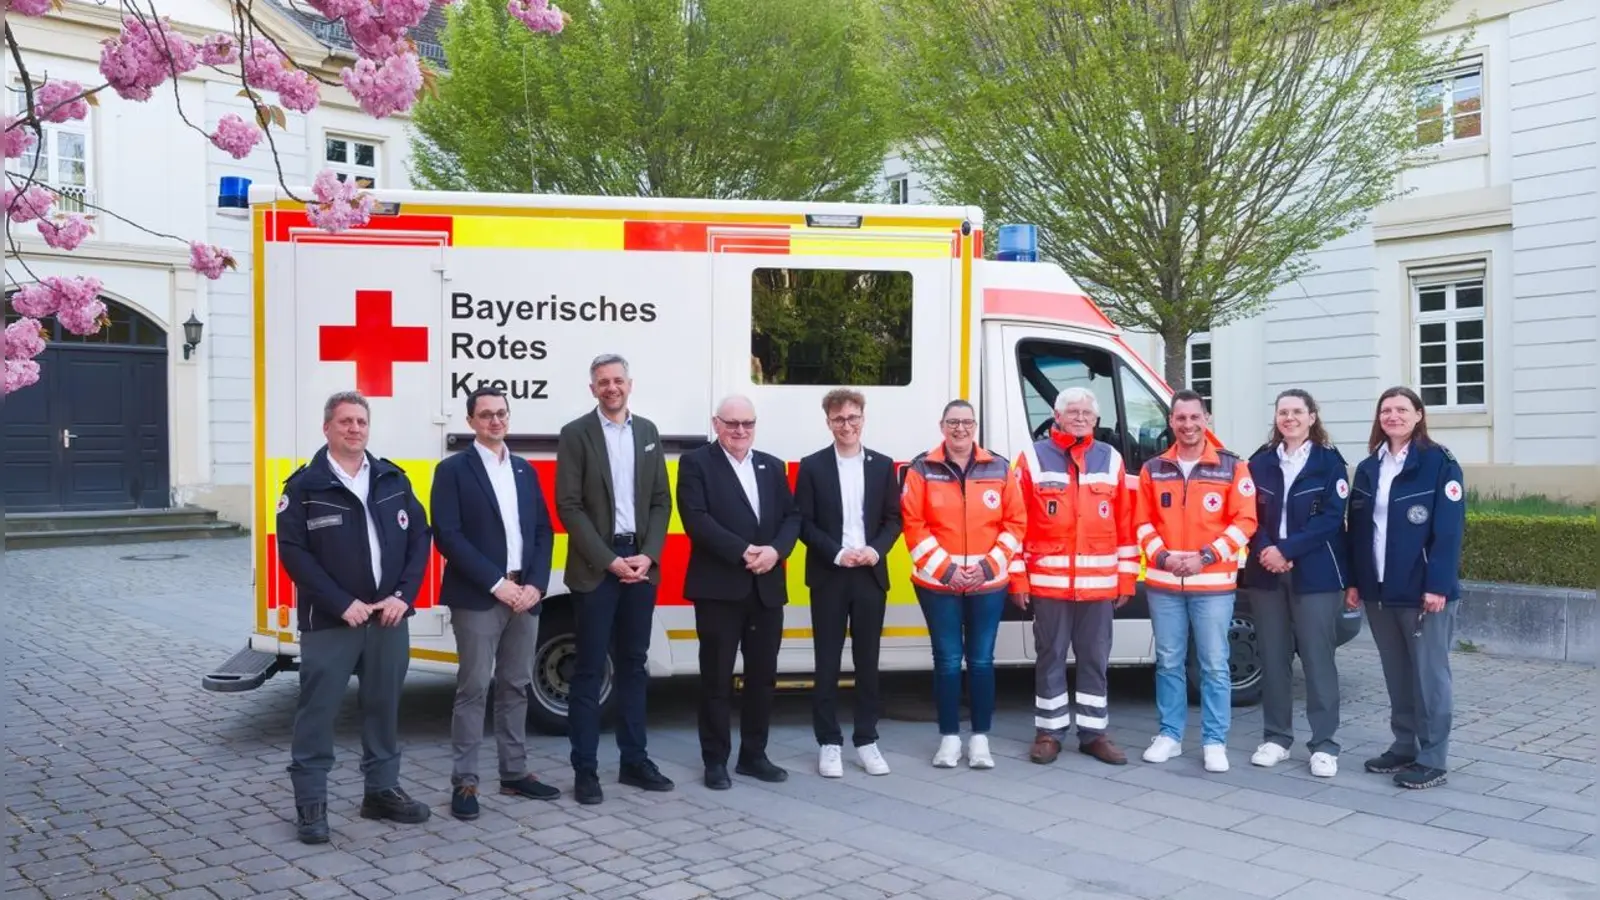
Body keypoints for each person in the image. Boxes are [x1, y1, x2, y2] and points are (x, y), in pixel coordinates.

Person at [277, 391, 431, 844]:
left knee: (384, 709)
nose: (354, 429)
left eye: (361, 421)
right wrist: (341, 602)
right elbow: (294, 555)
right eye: (344, 421)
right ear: (327, 428)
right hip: (331, 622)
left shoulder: (391, 479)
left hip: (387, 619)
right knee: (318, 714)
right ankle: (311, 805)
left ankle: (380, 792)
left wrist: (404, 595)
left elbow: (420, 538)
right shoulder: (304, 487)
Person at [431, 386, 558, 819]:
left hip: (526, 595)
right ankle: (465, 783)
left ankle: (514, 773)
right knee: (472, 688)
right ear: (470, 422)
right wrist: (494, 583)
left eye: (501, 413)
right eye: (485, 415)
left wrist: (536, 585)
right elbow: (448, 535)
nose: (495, 421)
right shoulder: (453, 472)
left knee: (516, 686)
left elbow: (543, 531)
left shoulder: (524, 470)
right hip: (479, 597)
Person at [555, 354, 676, 805]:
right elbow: (569, 506)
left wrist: (648, 555)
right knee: (588, 671)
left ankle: (634, 761)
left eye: (618, 380)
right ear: (592, 389)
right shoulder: (575, 434)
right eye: (602, 382)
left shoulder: (646, 432)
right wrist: (609, 560)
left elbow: (661, 501)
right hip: (596, 568)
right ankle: (585, 769)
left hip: (640, 566)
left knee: (633, 667)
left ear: (630, 384)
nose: (611, 388)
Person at [676, 395, 801, 790]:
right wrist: (743, 551)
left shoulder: (771, 465)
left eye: (747, 423)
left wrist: (776, 551)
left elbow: (792, 516)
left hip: (766, 589)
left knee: (763, 677)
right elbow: (695, 518)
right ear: (717, 424)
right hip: (719, 589)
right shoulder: (695, 463)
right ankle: (715, 760)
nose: (740, 431)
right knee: (716, 678)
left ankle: (753, 755)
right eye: (732, 424)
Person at [1347, 386, 1465, 790]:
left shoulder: (1439, 463)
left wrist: (1438, 586)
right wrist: (1355, 582)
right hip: (1380, 590)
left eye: (1401, 409)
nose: (1392, 416)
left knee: (1429, 675)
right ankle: (1404, 745)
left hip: (1423, 593)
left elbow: (1448, 532)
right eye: (1386, 410)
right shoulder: (1368, 467)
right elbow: (1359, 531)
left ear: (1418, 415)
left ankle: (1433, 757)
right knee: (1397, 673)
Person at [1012, 387, 1136, 767]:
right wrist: (1018, 577)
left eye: (1087, 412)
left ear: (1096, 420)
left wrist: (1127, 578)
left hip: (1099, 587)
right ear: (1056, 415)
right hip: (1049, 584)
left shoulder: (1110, 458)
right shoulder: (1032, 458)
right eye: (1072, 411)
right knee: (1049, 656)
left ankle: (1094, 734)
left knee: (1095, 658)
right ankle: (1049, 732)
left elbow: (1126, 523)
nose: (1080, 417)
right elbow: (1015, 522)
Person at [1135, 390, 1258, 774]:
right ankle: (1169, 736)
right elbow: (1141, 522)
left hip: (1213, 585)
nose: (1188, 425)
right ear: (1171, 422)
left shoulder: (1232, 467)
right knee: (1169, 662)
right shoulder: (1153, 468)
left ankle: (1214, 741)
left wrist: (1205, 557)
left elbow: (1245, 522)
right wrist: (1164, 557)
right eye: (1180, 418)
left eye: (1195, 417)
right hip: (1164, 581)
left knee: (1215, 665)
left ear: (1207, 419)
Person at [900, 399, 1025, 769]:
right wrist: (946, 569)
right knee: (948, 660)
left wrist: (987, 567)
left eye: (967, 422)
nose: (960, 429)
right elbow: (913, 523)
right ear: (942, 426)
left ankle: (981, 740)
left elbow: (1015, 522)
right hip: (938, 585)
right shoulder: (922, 468)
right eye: (953, 422)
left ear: (975, 426)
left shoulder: (999, 467)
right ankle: (950, 738)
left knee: (983, 660)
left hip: (988, 583)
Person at [1242, 389, 1350, 778]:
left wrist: (1287, 549)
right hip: (1266, 573)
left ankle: (1324, 744)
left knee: (1319, 660)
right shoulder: (1259, 463)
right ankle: (1276, 738)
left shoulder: (1329, 463)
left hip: (1316, 574)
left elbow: (1330, 519)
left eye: (1297, 412)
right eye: (1283, 412)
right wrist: (1267, 549)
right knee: (1273, 657)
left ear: (1312, 416)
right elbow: (1246, 514)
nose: (1289, 418)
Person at [795, 389, 903, 778]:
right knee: (826, 661)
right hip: (830, 574)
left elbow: (894, 519)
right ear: (828, 422)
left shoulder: (882, 465)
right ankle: (828, 742)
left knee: (867, 661)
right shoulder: (812, 466)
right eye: (839, 418)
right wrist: (838, 553)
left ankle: (867, 740)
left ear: (863, 419)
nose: (847, 425)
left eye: (853, 417)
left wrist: (876, 550)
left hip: (870, 574)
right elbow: (803, 522)